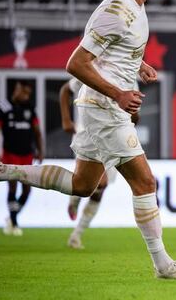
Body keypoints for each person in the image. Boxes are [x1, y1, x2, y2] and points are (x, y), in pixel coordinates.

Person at [0, 0, 176, 279]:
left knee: (84, 185)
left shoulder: (135, 5)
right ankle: (163, 265)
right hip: (104, 107)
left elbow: (114, 48)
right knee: (145, 182)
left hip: (98, 106)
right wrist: (117, 93)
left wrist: (138, 63)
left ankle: (0, 172)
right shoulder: (114, 10)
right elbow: (75, 64)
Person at [61, 77, 138, 249]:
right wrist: (66, 119)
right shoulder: (95, 69)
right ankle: (75, 196)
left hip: (114, 137)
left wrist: (132, 120)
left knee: (98, 190)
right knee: (96, 183)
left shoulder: (130, 78)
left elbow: (133, 113)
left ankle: (76, 234)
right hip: (89, 136)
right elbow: (65, 89)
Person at [0, 80, 44, 236]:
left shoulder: (30, 107)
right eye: (24, 92)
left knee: (27, 190)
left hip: (27, 154)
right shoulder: (3, 107)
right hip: (10, 153)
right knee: (13, 186)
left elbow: (37, 131)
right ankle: (14, 223)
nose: (27, 96)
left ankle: (12, 217)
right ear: (17, 89)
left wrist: (40, 150)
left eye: (29, 94)